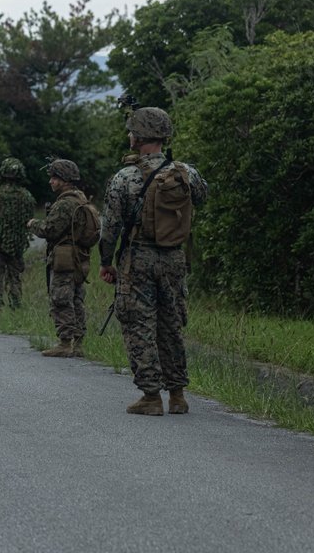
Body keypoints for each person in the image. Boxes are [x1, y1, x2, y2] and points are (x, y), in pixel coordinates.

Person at [99, 107, 207, 416]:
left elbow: (110, 227)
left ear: (139, 137)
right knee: (171, 323)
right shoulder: (186, 172)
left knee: (139, 325)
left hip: (138, 259)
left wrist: (106, 262)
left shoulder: (124, 177)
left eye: (131, 132)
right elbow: (202, 198)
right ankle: (178, 395)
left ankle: (150, 396)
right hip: (174, 258)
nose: (129, 136)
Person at [28, 159, 98, 358]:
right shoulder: (80, 198)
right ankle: (78, 343)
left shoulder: (65, 203)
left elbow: (50, 230)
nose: (51, 181)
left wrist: (33, 224)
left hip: (64, 258)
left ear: (65, 179)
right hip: (79, 257)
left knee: (61, 299)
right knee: (76, 299)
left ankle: (65, 343)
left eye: (54, 178)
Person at [0, 158, 36, 314]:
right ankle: (16, 307)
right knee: (15, 275)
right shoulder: (27, 196)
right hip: (17, 242)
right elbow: (29, 220)